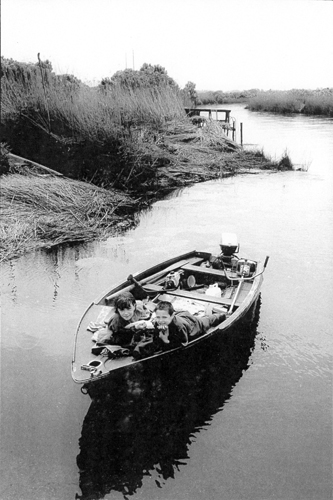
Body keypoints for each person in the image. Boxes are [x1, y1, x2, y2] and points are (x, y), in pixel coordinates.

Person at [133, 300, 225, 359]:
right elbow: (156, 338)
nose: (161, 321)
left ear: (172, 315)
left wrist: (166, 340)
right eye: (158, 317)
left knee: (206, 321)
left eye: (164, 317)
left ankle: (222, 315)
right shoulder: (158, 321)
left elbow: (184, 345)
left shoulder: (179, 327)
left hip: (193, 325)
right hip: (181, 316)